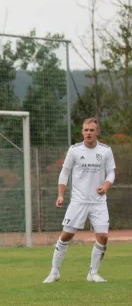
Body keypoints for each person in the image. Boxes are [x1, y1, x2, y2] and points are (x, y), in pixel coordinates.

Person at [42, 118, 116, 283]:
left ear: (97, 132)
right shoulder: (74, 150)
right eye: (85, 130)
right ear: (82, 132)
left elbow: (111, 172)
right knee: (66, 235)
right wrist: (60, 195)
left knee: (103, 236)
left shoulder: (105, 151)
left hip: (98, 202)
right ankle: (54, 272)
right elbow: (64, 173)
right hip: (78, 201)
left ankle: (93, 273)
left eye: (91, 130)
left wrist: (106, 185)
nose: (88, 133)